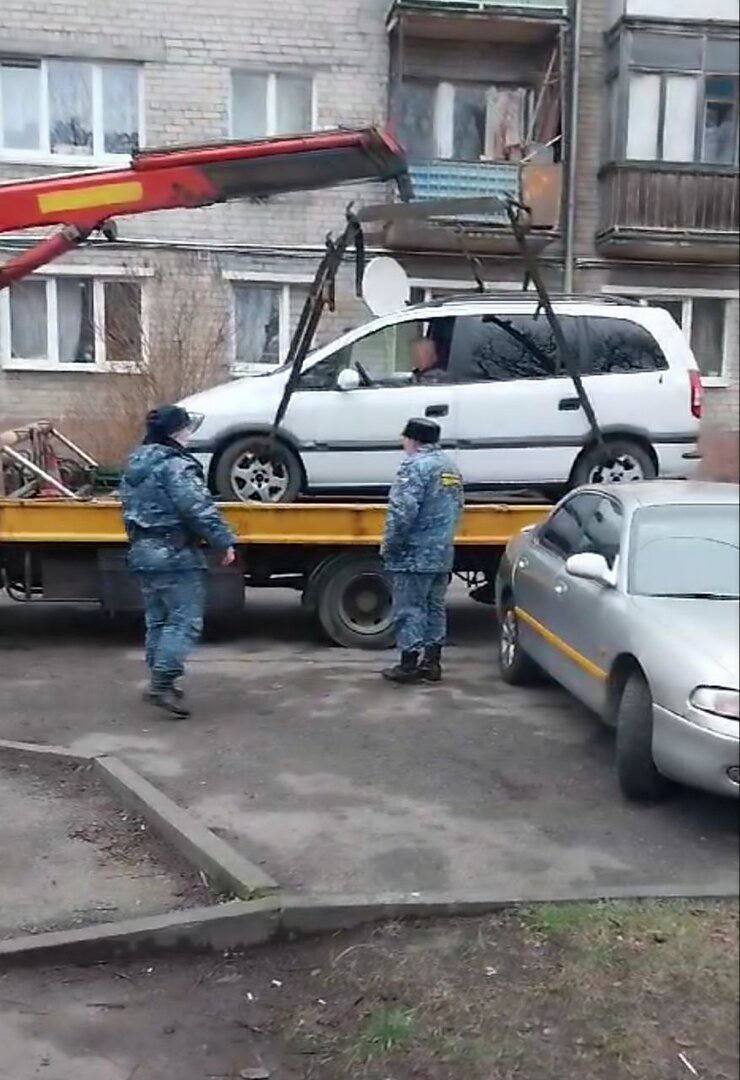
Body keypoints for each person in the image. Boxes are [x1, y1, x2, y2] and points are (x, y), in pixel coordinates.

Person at [119, 405, 236, 718]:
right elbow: (197, 508)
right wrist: (223, 541)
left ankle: (160, 679)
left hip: (143, 551)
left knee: (158, 619)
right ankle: (161, 684)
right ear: (175, 432)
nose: (189, 433)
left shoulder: (136, 463)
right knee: (183, 620)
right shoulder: (176, 467)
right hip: (174, 553)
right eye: (186, 428)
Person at [380, 417, 464, 684]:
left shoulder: (414, 467)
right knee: (434, 607)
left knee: (410, 608)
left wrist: (390, 544)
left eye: (405, 438)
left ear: (413, 440)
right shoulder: (449, 467)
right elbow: (459, 506)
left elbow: (402, 511)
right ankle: (432, 662)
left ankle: (408, 664)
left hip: (413, 552)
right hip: (442, 551)